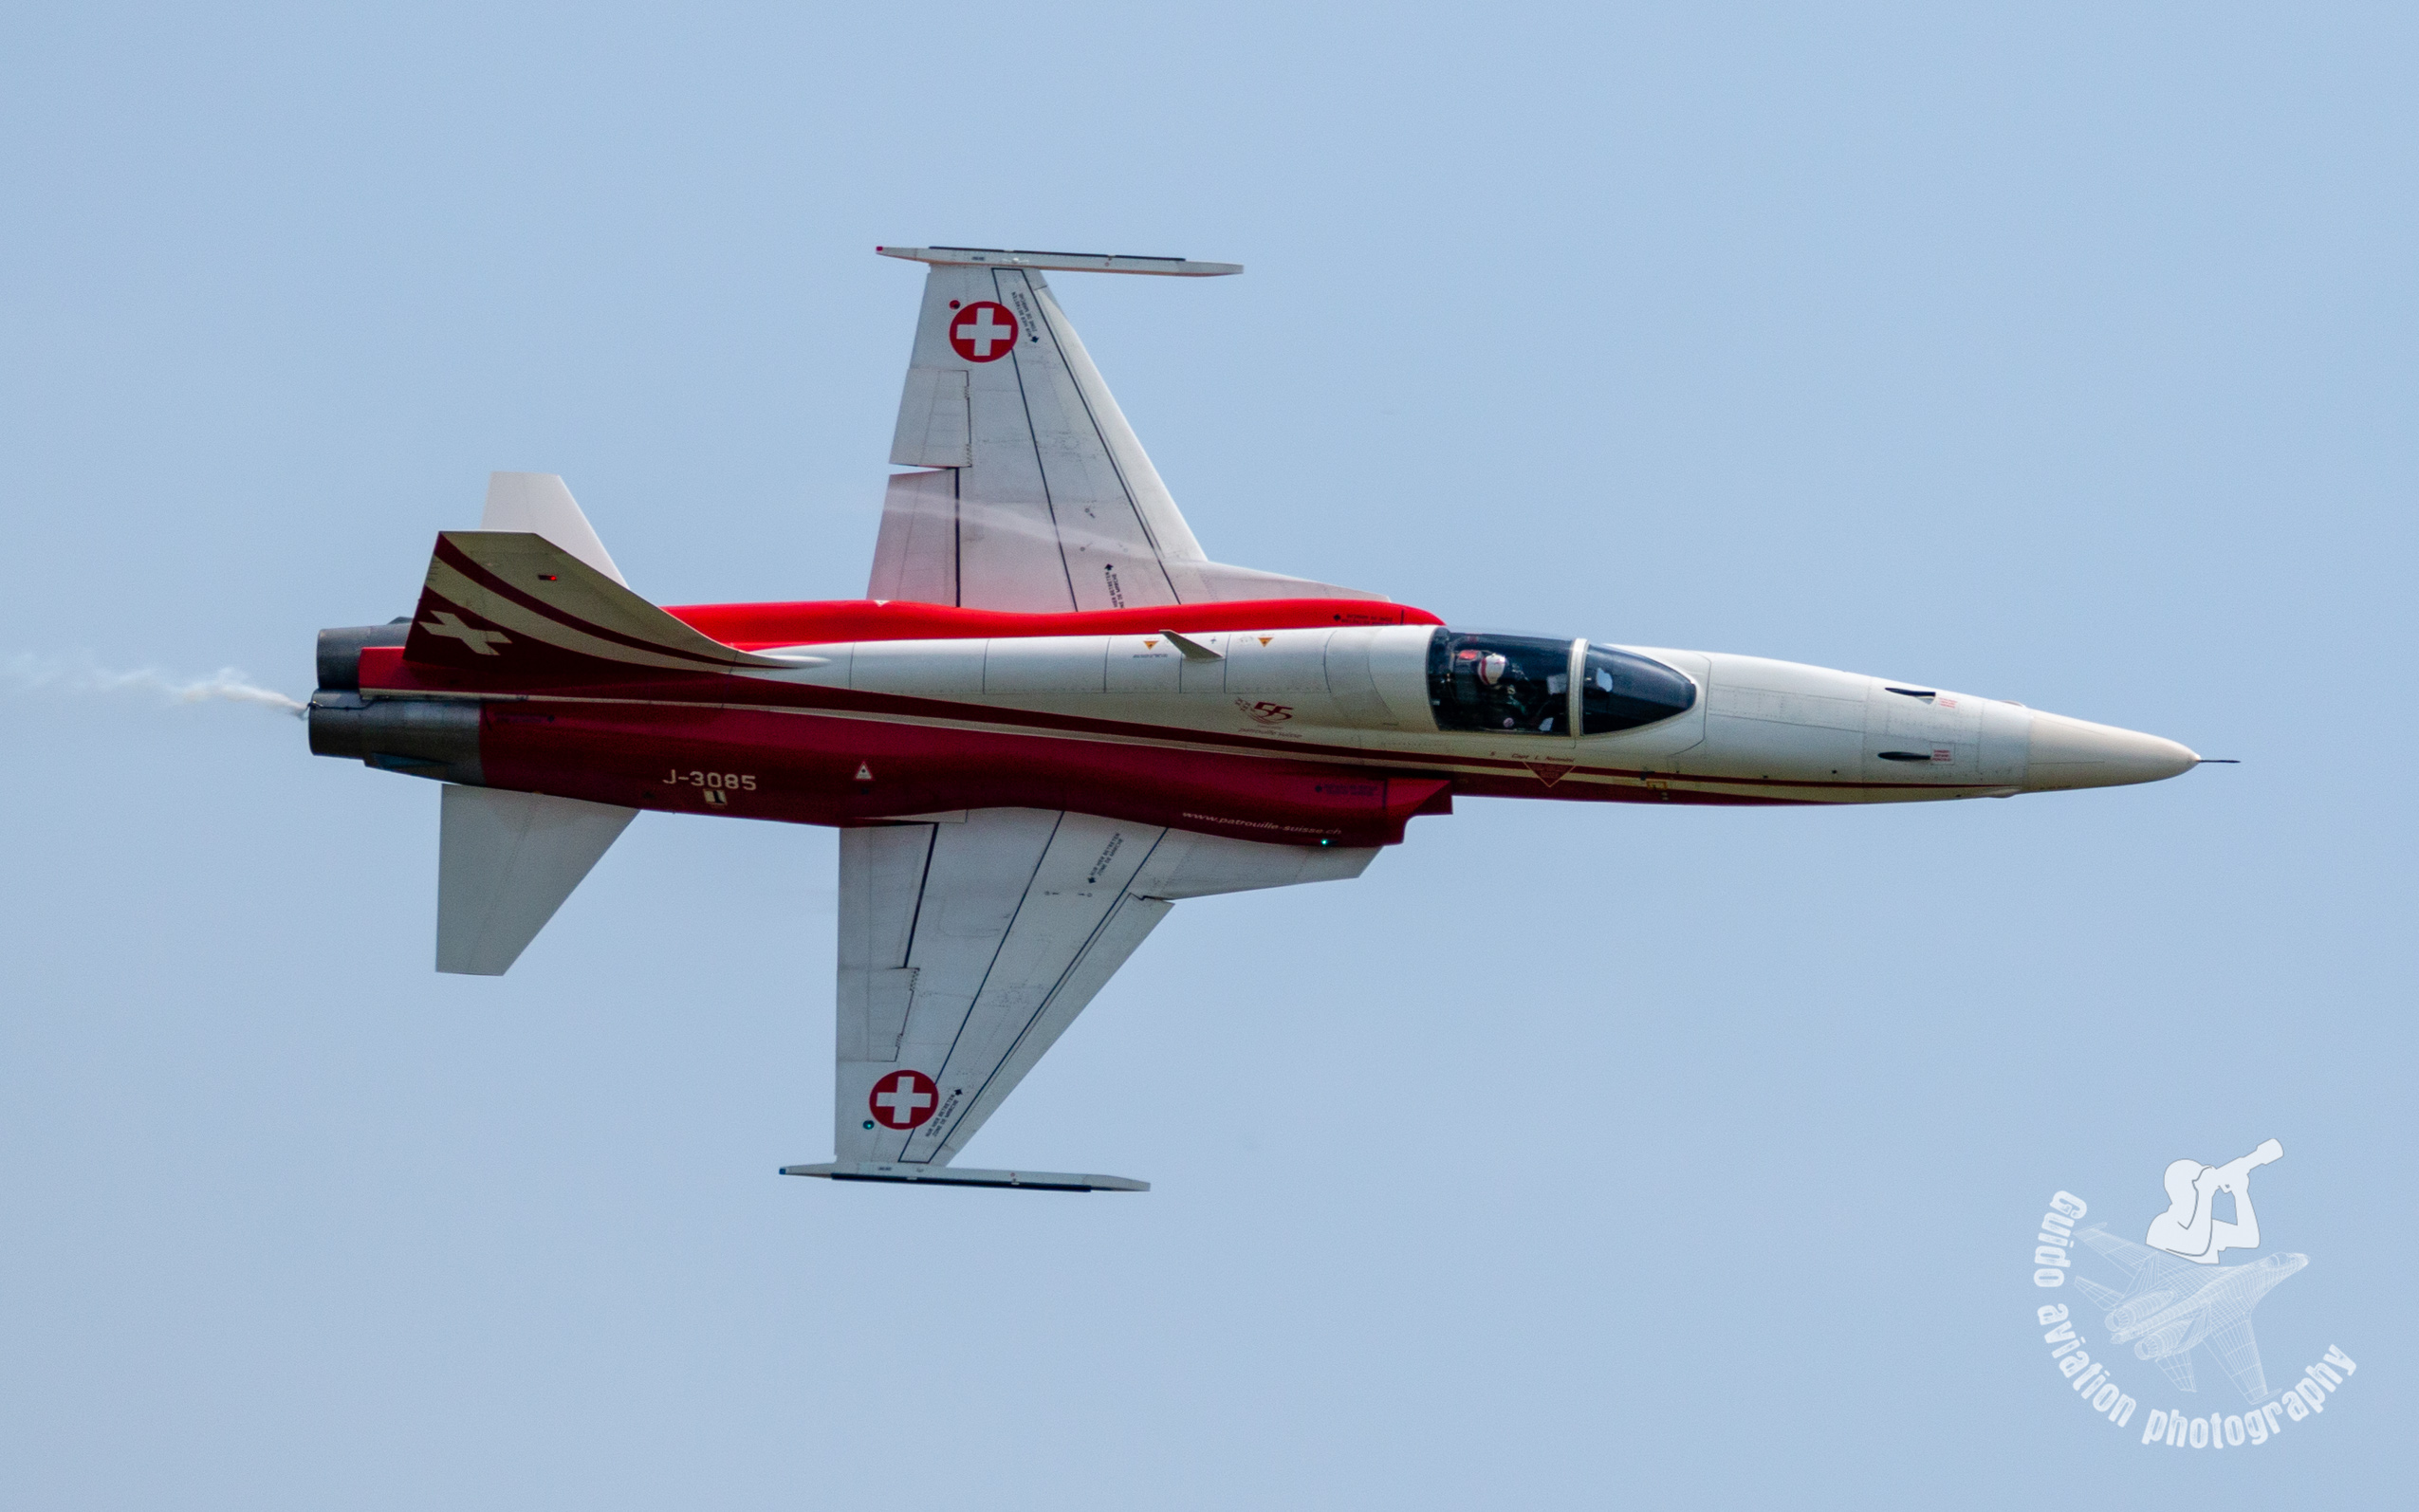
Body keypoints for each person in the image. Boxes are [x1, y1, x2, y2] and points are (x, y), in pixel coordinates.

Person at [2145, 1138, 2283, 1263]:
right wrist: (2204, 1194)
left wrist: (2241, 1193)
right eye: (2198, 1180)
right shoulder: (2161, 1226)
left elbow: (2250, 1239)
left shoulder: (2208, 1227)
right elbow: (2197, 1245)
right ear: (2182, 1188)